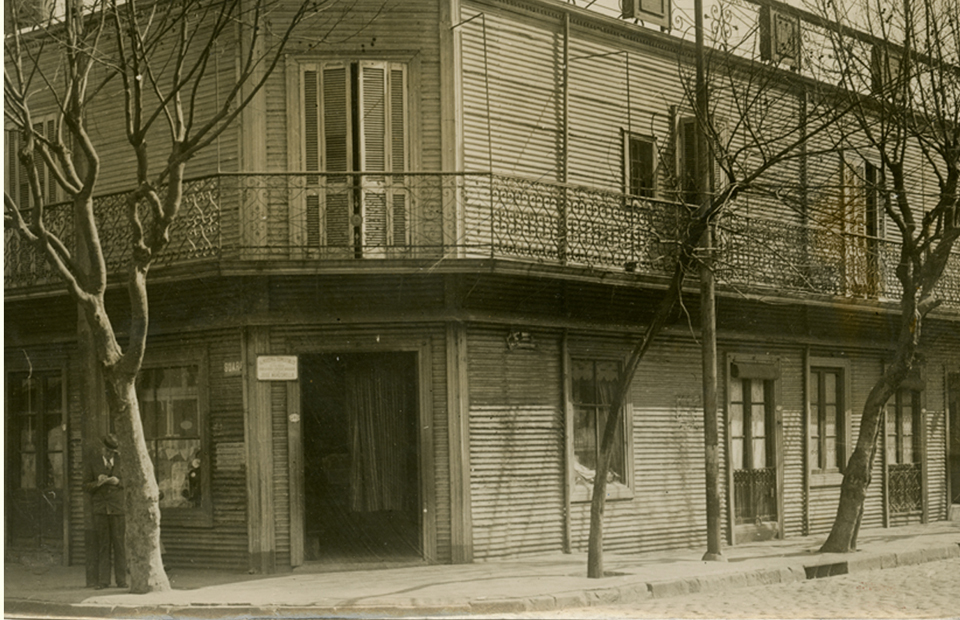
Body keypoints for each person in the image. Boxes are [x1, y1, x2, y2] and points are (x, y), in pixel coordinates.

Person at [84, 434, 127, 589]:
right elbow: (85, 485)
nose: (109, 454)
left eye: (112, 452)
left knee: (119, 545)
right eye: (107, 451)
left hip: (117, 509)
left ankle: (121, 580)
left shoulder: (122, 463)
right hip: (101, 510)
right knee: (103, 545)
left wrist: (118, 482)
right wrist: (97, 483)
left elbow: (130, 483)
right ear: (102, 448)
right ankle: (104, 581)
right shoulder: (93, 463)